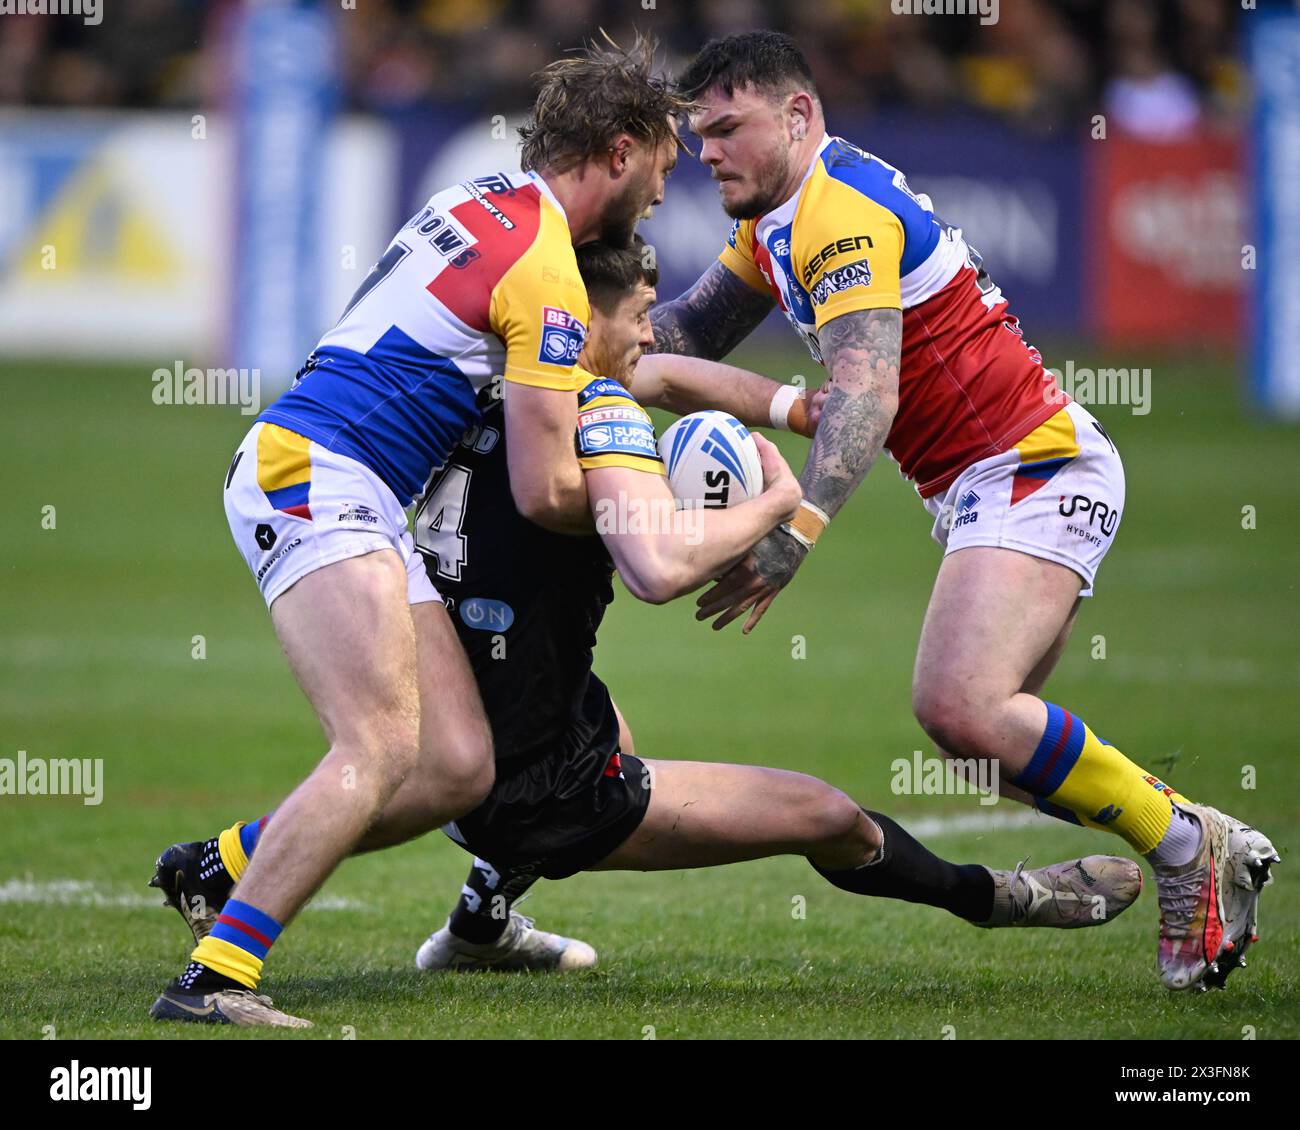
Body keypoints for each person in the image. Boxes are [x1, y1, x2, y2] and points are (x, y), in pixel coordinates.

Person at [155, 240, 1142, 988]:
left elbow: (665, 372)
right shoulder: (601, 415)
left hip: (464, 715)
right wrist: (771, 508)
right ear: (588, 316)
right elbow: (655, 568)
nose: (650, 333)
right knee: (823, 812)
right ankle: (1001, 896)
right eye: (636, 315)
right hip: (538, 784)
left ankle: (450, 915)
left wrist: (794, 412)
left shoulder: (486, 371)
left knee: (598, 708)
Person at [648, 31, 1276, 992]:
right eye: (700, 138)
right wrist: (557, 341)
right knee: (990, 752)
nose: (710, 154)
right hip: (993, 482)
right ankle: (1186, 839)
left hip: (1034, 467)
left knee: (960, 706)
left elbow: (869, 393)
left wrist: (795, 532)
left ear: (800, 115)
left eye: (728, 129)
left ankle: (1189, 844)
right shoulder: (776, 220)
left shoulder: (839, 214)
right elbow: (682, 332)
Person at [149, 35, 687, 1028]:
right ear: (619, 151)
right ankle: (215, 981)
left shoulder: (485, 198)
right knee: (382, 743)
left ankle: (216, 866)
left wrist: (782, 407)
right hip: (318, 475)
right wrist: (667, 519)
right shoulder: (548, 277)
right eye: (662, 163)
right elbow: (542, 488)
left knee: (455, 764)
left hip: (332, 474)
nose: (663, 189)